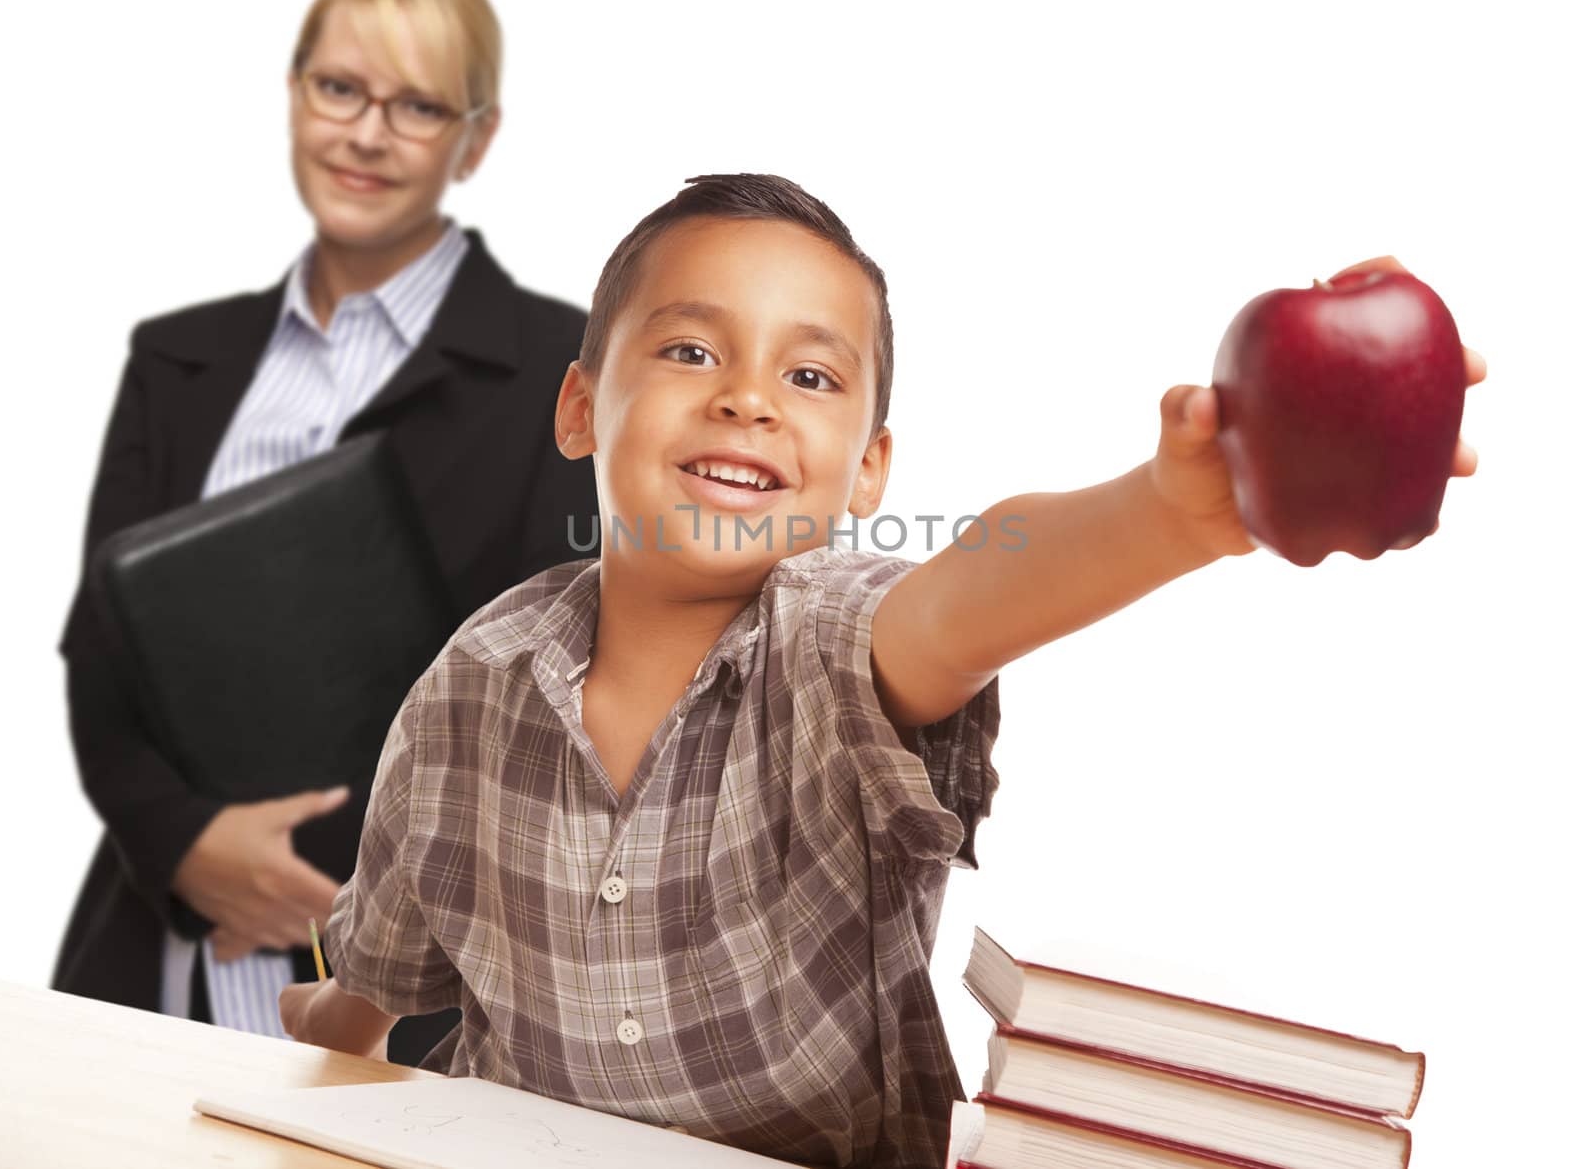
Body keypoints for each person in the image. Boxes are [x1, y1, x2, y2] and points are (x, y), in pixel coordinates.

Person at [278, 174, 1485, 1166]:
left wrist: (1171, 512)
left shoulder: (835, 647)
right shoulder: (475, 678)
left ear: (867, 472)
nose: (748, 398)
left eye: (809, 377)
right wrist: (332, 1028)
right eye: (692, 349)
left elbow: (976, 587)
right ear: (584, 407)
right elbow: (384, 951)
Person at [52, 0, 600, 1068]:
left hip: (413, 1001)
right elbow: (100, 657)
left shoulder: (565, 368)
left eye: (417, 105)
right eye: (339, 88)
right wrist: (183, 845)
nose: (364, 133)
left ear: (475, 138)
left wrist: (382, 904)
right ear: (296, 92)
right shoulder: (177, 357)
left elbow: (566, 702)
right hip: (158, 972)